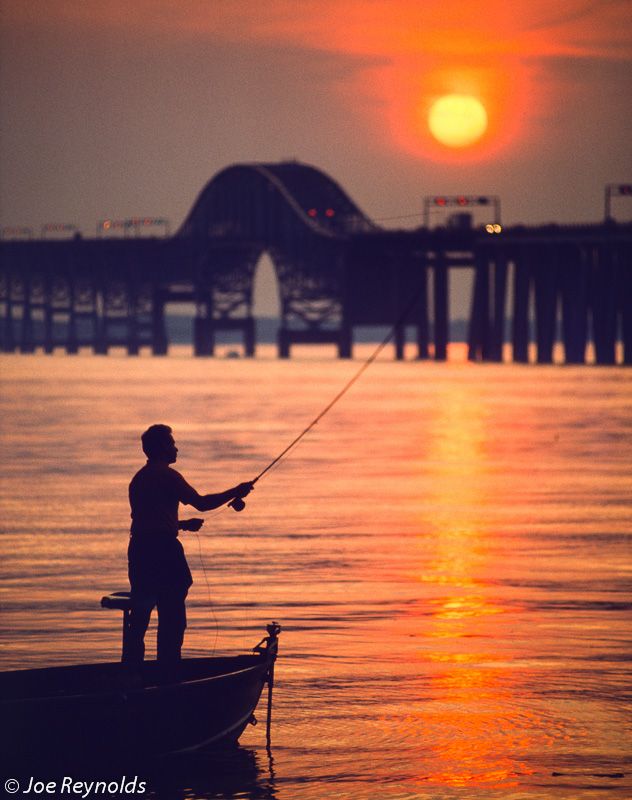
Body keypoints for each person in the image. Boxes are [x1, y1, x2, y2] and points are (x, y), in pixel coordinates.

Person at [126, 423, 253, 671]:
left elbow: (146, 518)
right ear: (162, 448)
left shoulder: (139, 479)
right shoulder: (168, 475)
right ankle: (168, 672)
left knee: (140, 616)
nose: (176, 448)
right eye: (172, 443)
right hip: (163, 552)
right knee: (172, 616)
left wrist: (181, 524)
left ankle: (132, 673)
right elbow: (202, 503)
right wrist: (236, 491)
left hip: (139, 550)